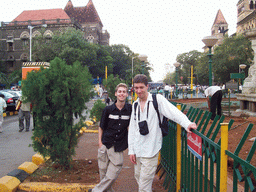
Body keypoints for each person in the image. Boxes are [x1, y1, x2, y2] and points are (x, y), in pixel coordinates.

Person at [128, 74, 197, 192]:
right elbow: (133, 129)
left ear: (147, 87)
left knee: (144, 184)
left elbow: (173, 112)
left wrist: (187, 123)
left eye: (141, 87)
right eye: (136, 88)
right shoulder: (135, 105)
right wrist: (131, 150)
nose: (138, 91)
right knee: (139, 177)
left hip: (151, 149)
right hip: (138, 149)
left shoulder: (157, 100)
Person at [88, 83, 132, 192]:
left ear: (127, 94)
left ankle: (95, 191)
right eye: (120, 91)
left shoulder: (130, 110)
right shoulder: (108, 110)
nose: (121, 94)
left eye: (124, 92)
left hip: (117, 147)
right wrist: (100, 144)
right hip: (105, 145)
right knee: (104, 176)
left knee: (113, 172)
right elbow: (101, 127)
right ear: (116, 93)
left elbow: (130, 128)